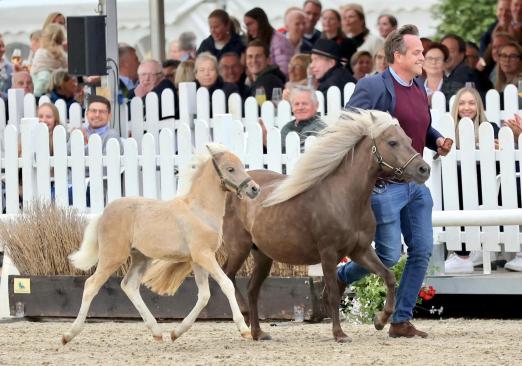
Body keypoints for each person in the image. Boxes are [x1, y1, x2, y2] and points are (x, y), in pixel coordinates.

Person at [337, 24, 452, 338]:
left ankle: (400, 321)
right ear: (397, 55)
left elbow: (418, 128)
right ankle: (343, 275)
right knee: (387, 255)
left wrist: (437, 139)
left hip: (415, 185)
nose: (423, 57)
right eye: (416, 52)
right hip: (385, 186)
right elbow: (346, 127)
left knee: (422, 251)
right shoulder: (373, 86)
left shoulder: (418, 87)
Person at [444, 87, 501, 273]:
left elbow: (503, 162)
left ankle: (462, 256)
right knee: (453, 191)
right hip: (457, 185)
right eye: (461, 103)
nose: (466, 107)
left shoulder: (490, 128)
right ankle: (462, 254)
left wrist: (496, 149)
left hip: (488, 186)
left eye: (471, 102)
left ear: (479, 105)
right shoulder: (448, 131)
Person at [244, 7, 294, 76]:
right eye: (246, 25)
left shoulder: (279, 41)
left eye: (250, 24)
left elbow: (284, 70)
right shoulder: (259, 41)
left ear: (260, 22)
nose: (248, 29)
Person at [279, 85, 326, 150]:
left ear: (316, 105)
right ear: (292, 107)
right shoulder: (286, 128)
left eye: (304, 103)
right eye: (296, 104)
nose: (300, 107)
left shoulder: (321, 129)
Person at [31, 24, 67, 97]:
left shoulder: (41, 53)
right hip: (60, 96)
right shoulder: (64, 56)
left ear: (44, 38)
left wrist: (36, 95)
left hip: (41, 95)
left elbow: (43, 78)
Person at [0, 34, 13, 99]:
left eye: (3, 46)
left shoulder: (9, 67)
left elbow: (13, 93)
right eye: (0, 46)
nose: (2, 49)